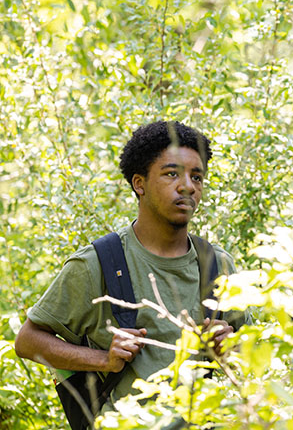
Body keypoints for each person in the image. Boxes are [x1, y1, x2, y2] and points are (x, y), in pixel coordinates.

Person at [15, 121, 247, 418]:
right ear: (139, 184)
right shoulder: (98, 263)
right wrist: (103, 360)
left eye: (197, 177)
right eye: (171, 174)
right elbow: (27, 340)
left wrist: (232, 347)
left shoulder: (217, 264)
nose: (188, 186)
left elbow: (256, 355)